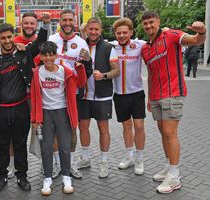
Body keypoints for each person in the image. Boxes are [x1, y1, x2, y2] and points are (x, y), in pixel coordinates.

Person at [0, 14, 51, 193]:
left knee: (20, 144)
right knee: (2, 145)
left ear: (14, 35)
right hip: (0, 110)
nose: (7, 41)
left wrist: (45, 24)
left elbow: (39, 44)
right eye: (3, 38)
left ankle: (22, 176)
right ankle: (2, 175)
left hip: (21, 107)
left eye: (9, 37)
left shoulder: (23, 52)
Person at [141, 11, 206, 193]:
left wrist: (201, 32)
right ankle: (169, 166)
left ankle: (175, 176)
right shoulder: (146, 48)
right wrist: (149, 97)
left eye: (151, 22)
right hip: (156, 96)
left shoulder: (171, 35)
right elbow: (152, 75)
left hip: (173, 93)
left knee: (170, 132)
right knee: (163, 132)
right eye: (145, 24)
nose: (148, 26)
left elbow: (196, 41)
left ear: (158, 22)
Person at [31, 41, 86, 196]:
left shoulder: (65, 71)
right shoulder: (37, 73)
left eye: (51, 55)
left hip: (63, 113)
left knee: (64, 146)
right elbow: (34, 97)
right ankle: (47, 178)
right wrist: (35, 119)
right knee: (46, 147)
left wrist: (80, 69)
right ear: (41, 57)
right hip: (45, 114)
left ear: (56, 55)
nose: (48, 58)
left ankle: (66, 177)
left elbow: (81, 83)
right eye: (45, 55)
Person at [48, 9, 92, 179]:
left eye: (70, 20)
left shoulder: (81, 42)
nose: (67, 23)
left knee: (73, 129)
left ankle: (71, 163)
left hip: (73, 94)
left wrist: (87, 61)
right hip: (52, 92)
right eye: (64, 20)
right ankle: (58, 164)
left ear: (74, 22)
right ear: (59, 21)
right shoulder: (51, 39)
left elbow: (87, 71)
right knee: (54, 130)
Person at [76, 17, 119, 178]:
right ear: (86, 30)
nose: (93, 32)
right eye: (90, 29)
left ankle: (104, 162)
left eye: (96, 29)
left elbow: (116, 71)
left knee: (103, 129)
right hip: (84, 95)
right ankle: (86, 158)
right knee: (83, 127)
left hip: (102, 96)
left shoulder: (109, 47)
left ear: (100, 30)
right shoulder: (81, 45)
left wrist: (104, 75)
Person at [109, 18, 146, 175]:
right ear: (115, 34)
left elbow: (156, 42)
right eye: (119, 33)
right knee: (126, 127)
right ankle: (129, 156)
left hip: (136, 93)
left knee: (139, 127)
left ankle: (139, 158)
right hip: (119, 95)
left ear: (131, 32)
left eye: (125, 32)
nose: (122, 35)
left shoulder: (140, 45)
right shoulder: (111, 47)